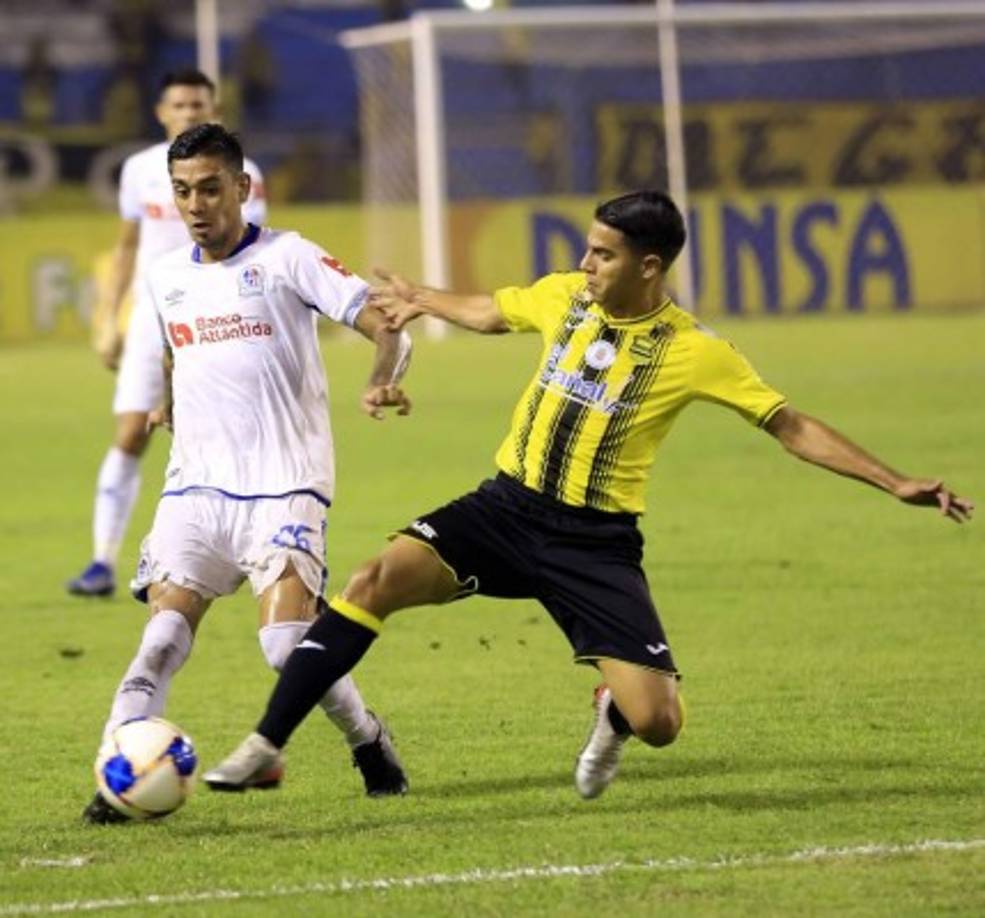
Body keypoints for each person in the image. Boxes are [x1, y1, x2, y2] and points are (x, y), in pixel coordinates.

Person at [202, 189, 973, 801]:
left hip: (592, 544)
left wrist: (894, 480)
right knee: (371, 582)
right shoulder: (564, 295)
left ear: (649, 265)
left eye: (603, 253)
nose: (585, 262)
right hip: (503, 510)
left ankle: (611, 710)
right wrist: (424, 299)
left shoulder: (693, 352)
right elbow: (492, 311)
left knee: (658, 722)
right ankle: (265, 743)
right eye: (588, 247)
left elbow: (790, 425)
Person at [83, 123, 412, 823]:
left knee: (283, 645)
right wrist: (171, 396)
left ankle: (368, 739)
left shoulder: (289, 257)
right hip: (195, 486)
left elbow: (386, 324)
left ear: (241, 187)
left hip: (286, 481)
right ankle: (116, 782)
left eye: (208, 188)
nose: (195, 205)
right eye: (181, 192)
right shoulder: (167, 275)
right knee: (162, 637)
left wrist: (383, 378)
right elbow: (180, 347)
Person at [68, 69, 266, 598]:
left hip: (215, 323)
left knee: (232, 434)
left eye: (198, 105)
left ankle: (260, 551)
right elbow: (128, 245)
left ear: (213, 109)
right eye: (179, 105)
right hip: (150, 321)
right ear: (162, 112)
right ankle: (100, 560)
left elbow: (253, 245)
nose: (188, 113)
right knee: (132, 433)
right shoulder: (138, 170)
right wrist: (109, 318)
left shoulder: (244, 173)